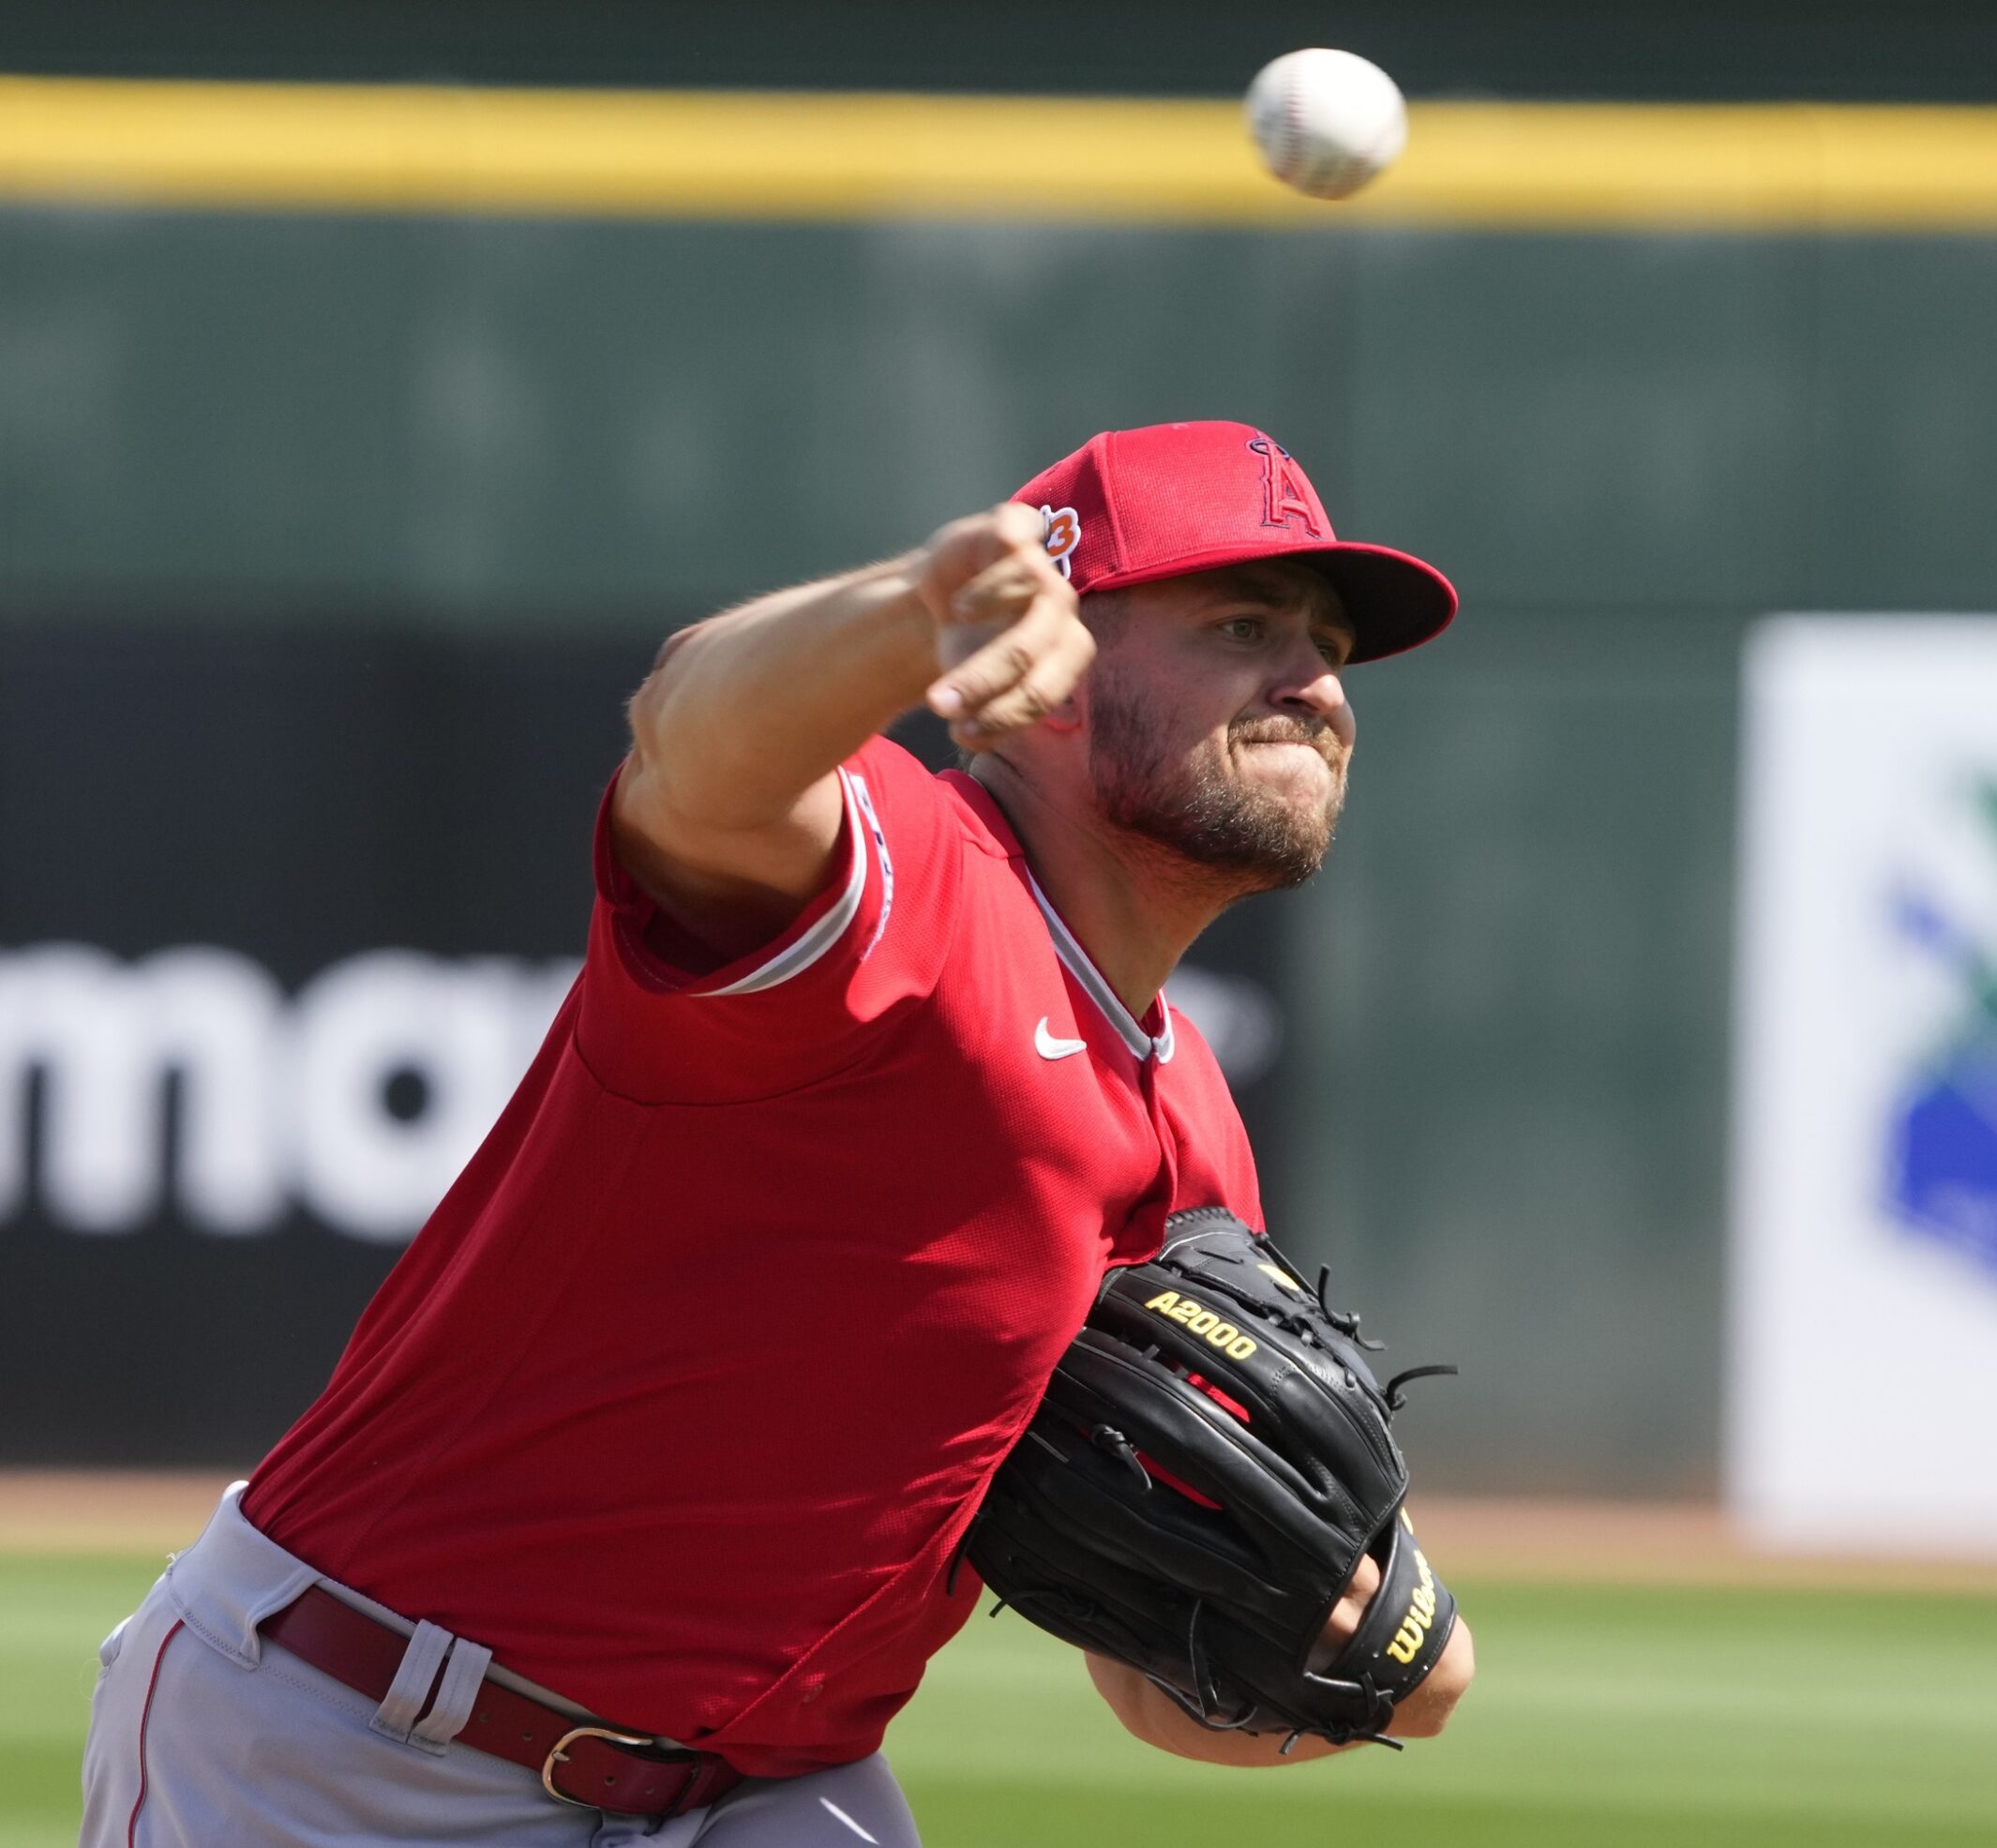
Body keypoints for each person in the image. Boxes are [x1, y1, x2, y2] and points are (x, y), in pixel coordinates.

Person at [80, 421, 1477, 1847]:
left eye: (1326, 643)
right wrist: (914, 611)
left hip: (763, 1795)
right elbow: (689, 739)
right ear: (1050, 677)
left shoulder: (1193, 1126)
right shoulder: (903, 885)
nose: (1310, 679)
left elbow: (1147, 1675)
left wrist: (1368, 1658)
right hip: (362, 1745)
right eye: (1241, 623)